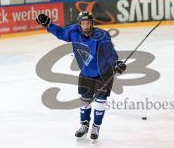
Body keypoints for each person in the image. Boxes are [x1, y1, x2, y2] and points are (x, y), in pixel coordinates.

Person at [36, 11, 126, 140]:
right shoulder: (73, 32)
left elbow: (109, 53)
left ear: (92, 23)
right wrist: (49, 25)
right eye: (83, 23)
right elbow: (61, 33)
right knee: (85, 100)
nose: (86, 26)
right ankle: (84, 124)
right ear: (79, 24)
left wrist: (116, 63)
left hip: (103, 72)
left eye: (88, 23)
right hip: (86, 72)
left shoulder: (101, 35)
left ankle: (96, 126)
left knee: (100, 101)